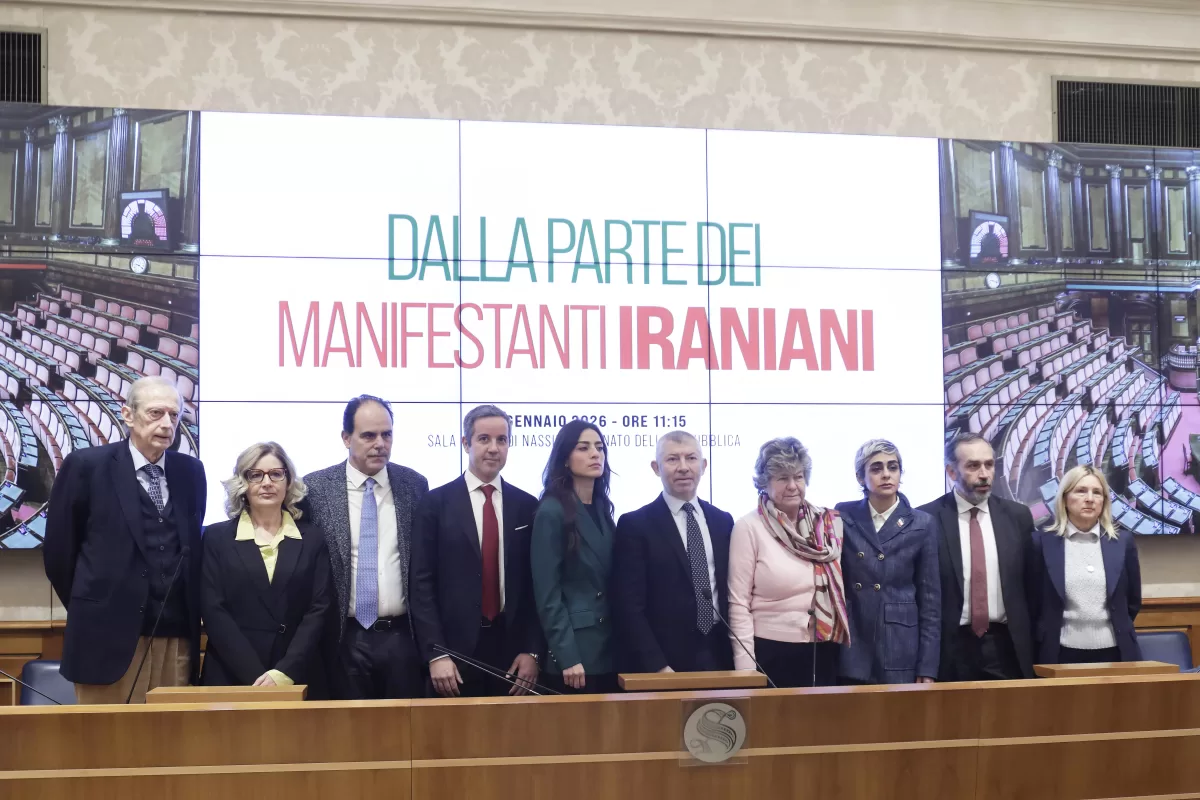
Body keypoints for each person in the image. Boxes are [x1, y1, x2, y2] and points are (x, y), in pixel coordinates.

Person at [43, 376, 207, 703]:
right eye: (156, 413)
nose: (167, 424)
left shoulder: (191, 471)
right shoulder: (86, 467)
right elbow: (59, 555)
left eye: (174, 415)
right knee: (104, 734)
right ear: (128, 415)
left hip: (175, 635)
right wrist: (96, 607)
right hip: (105, 636)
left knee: (170, 733)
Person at [301, 395, 429, 699]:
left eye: (387, 434)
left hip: (402, 637)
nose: (380, 444)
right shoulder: (315, 489)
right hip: (341, 638)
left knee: (403, 727)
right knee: (346, 727)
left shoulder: (414, 485)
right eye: (369, 435)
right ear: (346, 438)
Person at [410, 405, 543, 697]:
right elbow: (421, 585)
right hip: (453, 654)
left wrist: (532, 651)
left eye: (502, 440)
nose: (494, 448)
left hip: (512, 653)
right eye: (484, 439)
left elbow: (536, 587)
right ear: (466, 443)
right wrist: (435, 653)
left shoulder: (527, 506)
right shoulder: (435, 504)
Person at [200, 442, 335, 697]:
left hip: (297, 673)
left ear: (288, 481)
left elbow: (319, 608)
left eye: (276, 474)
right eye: (256, 475)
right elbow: (214, 610)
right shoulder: (217, 538)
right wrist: (255, 675)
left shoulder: (313, 538)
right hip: (232, 674)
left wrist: (283, 672)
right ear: (243, 483)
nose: (267, 483)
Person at [727, 437, 850, 688]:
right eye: (783, 478)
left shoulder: (828, 524)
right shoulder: (748, 527)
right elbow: (738, 604)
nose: (793, 486)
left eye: (799, 476)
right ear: (765, 483)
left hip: (823, 649)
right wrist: (746, 670)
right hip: (771, 652)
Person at [611, 431, 735, 674]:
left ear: (704, 465)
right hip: (663, 658)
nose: (683, 467)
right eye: (672, 459)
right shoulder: (635, 525)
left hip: (719, 652)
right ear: (656, 468)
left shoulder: (723, 521)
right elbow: (628, 604)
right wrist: (656, 665)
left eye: (691, 458)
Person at [919, 431, 1035, 681]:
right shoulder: (926, 519)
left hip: (1006, 647)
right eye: (973, 466)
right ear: (952, 472)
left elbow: (1032, 587)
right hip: (949, 649)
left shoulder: (1018, 517)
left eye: (989, 465)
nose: (984, 474)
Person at [836, 439, 940, 684]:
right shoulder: (844, 515)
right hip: (854, 639)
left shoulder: (921, 523)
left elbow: (930, 601)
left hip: (899, 642)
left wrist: (927, 666)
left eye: (893, 467)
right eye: (876, 468)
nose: (886, 474)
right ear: (860, 477)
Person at [530, 420, 617, 694]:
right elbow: (548, 594)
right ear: (565, 459)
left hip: (610, 647)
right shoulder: (551, 510)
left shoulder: (602, 508)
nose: (595, 454)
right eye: (584, 448)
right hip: (576, 654)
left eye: (599, 448)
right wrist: (567, 655)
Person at [1031, 465, 1142, 665]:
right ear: (1065, 498)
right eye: (1081, 491)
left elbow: (1132, 601)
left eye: (1097, 493)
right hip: (1060, 653)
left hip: (1117, 653)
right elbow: (1033, 601)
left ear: (1104, 501)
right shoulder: (1041, 543)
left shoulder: (1122, 542)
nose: (1090, 498)